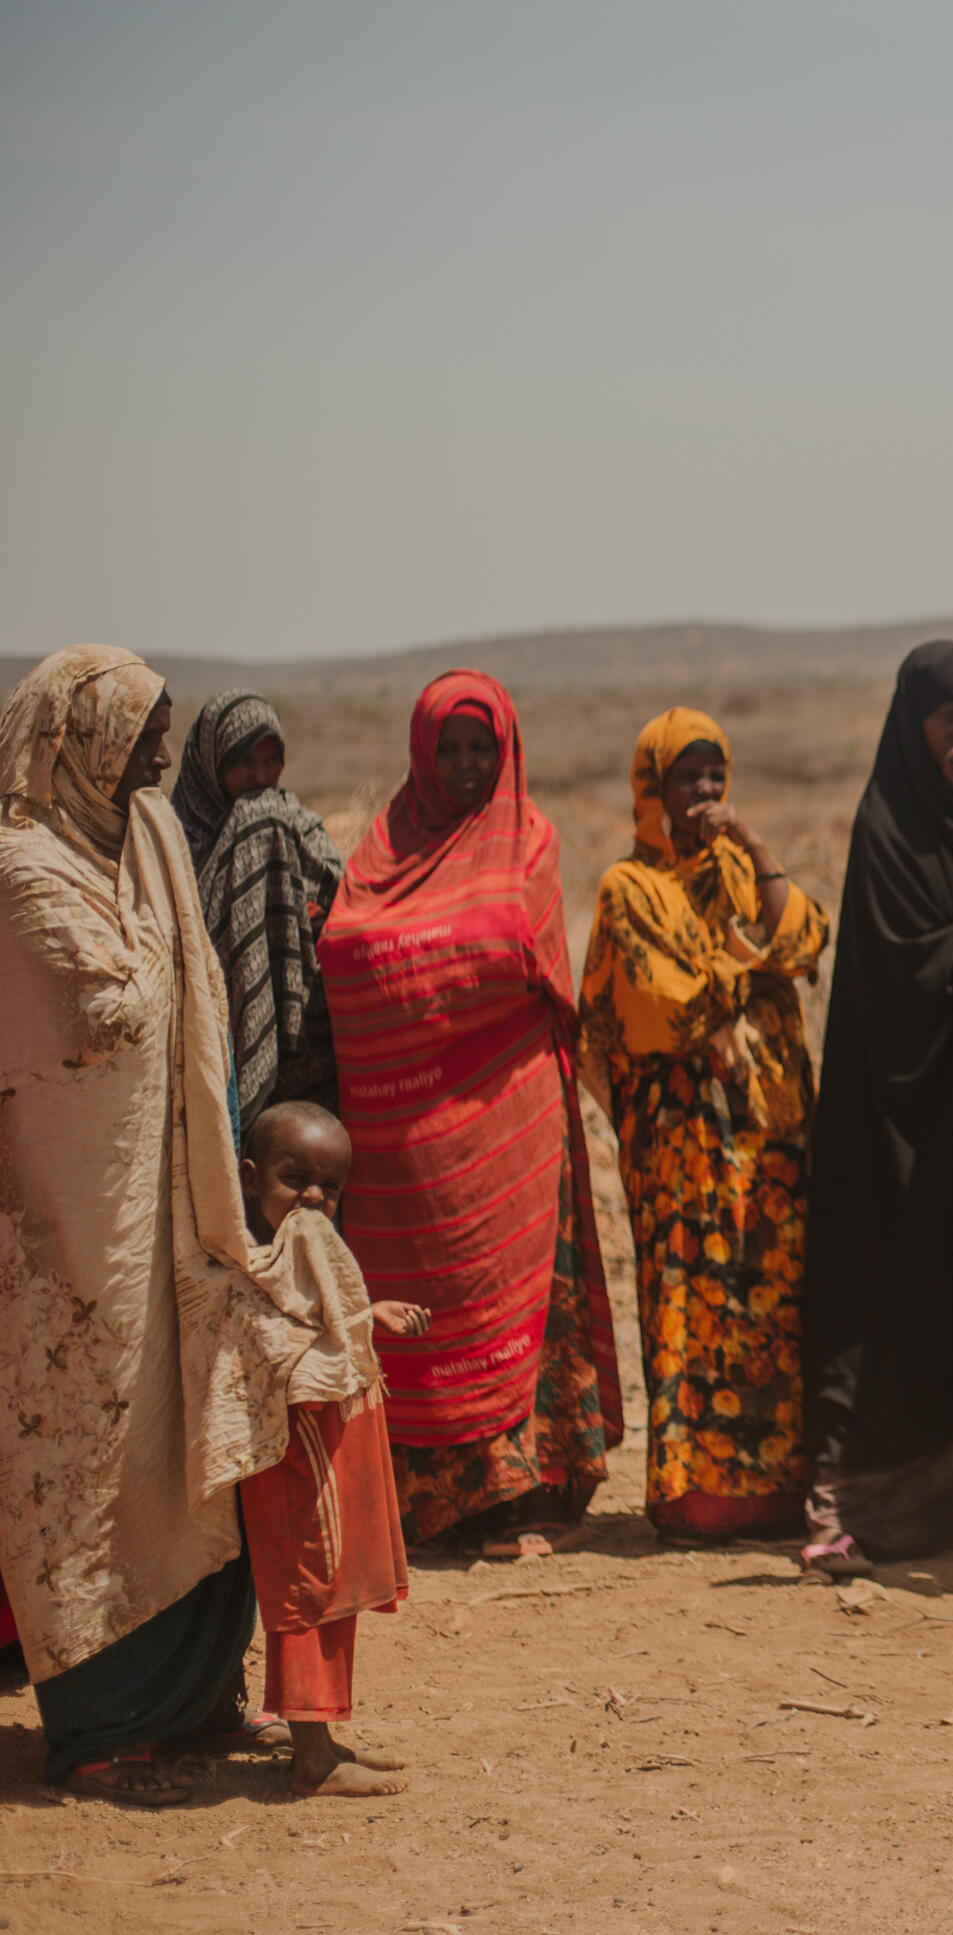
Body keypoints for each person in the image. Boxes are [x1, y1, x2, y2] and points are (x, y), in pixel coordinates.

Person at [1, 647, 378, 1805]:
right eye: (142, 738)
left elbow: (177, 981)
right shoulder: (21, 869)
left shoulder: (155, 837)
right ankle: (103, 1728)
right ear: (84, 741)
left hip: (177, 1205)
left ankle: (192, 1697)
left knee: (194, 1434)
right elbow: (103, 1004)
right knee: (91, 1446)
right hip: (69, 1228)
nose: (163, 759)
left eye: (165, 735)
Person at [321, 670, 624, 1559]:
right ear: (419, 752)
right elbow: (346, 952)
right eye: (446, 748)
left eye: (478, 747)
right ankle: (428, 1506)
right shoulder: (379, 848)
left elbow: (522, 965)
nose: (462, 764)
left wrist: (423, 977)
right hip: (401, 1145)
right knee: (420, 1310)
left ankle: (521, 1498)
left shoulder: (529, 840)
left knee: (515, 1301)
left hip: (509, 1133)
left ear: (506, 749)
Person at [801, 641, 953, 1575]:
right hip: (895, 1114)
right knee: (893, 1294)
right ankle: (864, 1501)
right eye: (948, 719)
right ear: (912, 722)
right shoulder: (889, 826)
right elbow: (904, 973)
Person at [578, 709, 829, 1545]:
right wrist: (743, 958)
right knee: (689, 1295)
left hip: (766, 1130)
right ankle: (697, 1497)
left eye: (716, 775)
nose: (707, 793)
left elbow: (803, 939)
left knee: (775, 1304)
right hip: (681, 1134)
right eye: (688, 778)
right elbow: (659, 1007)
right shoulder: (626, 888)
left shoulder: (736, 866)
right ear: (651, 788)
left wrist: (757, 850)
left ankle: (784, 1489)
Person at [232, 1102, 421, 1798]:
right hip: (295, 1456)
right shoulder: (248, 1263)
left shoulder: (307, 1252)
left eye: (329, 1186)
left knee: (332, 1586)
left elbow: (321, 1321)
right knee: (307, 1587)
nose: (313, 1197)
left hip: (327, 1448)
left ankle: (321, 1730)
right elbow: (269, 1345)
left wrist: (368, 1316)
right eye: (294, 1178)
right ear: (250, 1179)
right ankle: (310, 1753)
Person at [168, 690, 344, 1122]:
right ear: (212, 762)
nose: (261, 776)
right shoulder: (175, 839)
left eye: (271, 760)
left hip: (306, 1043)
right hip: (214, 1033)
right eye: (245, 762)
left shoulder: (288, 818)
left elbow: (337, 886)